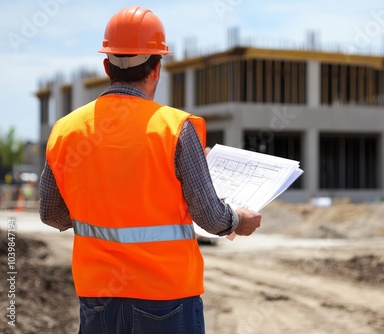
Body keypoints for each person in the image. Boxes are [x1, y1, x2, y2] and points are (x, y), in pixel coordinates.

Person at [39, 6, 261, 334]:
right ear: (157, 68)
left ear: (106, 66)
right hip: (167, 297)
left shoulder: (67, 130)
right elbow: (211, 218)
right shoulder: (174, 128)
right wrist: (239, 220)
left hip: (98, 297)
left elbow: (50, 214)